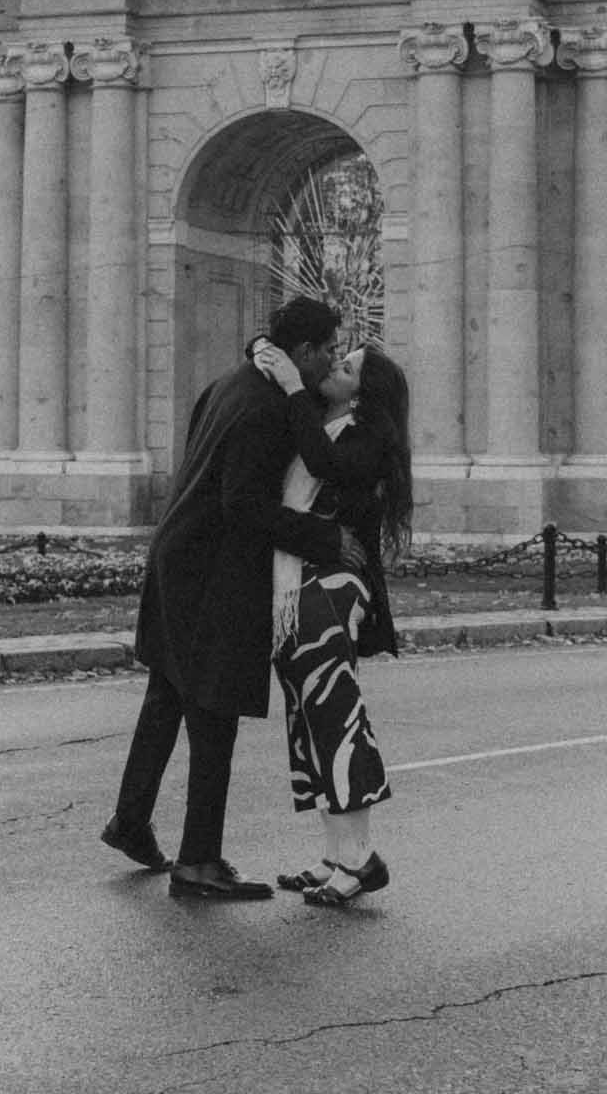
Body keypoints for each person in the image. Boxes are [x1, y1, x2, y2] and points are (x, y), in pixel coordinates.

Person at [105, 297, 353, 900]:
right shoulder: (267, 410)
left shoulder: (229, 385)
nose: (334, 359)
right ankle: (199, 864)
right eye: (330, 350)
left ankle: (131, 823)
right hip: (212, 575)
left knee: (167, 695)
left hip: (178, 557)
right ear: (304, 352)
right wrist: (327, 539)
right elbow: (244, 507)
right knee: (211, 715)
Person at [251, 337, 407, 909]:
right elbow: (260, 344)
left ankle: (362, 859)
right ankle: (335, 856)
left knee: (337, 720)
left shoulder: (368, 440)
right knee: (308, 721)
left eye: (347, 368)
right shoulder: (321, 422)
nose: (334, 367)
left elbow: (323, 464)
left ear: (363, 396)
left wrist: (294, 384)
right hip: (298, 585)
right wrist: (268, 354)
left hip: (333, 589)